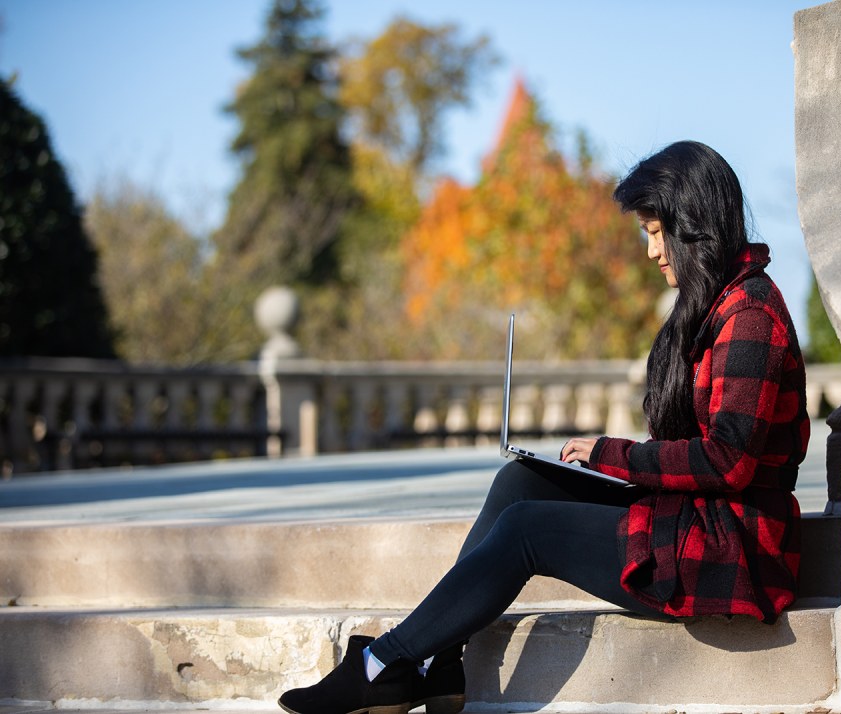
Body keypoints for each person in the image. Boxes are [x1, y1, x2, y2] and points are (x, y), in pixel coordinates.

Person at [277, 140, 810, 714]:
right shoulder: (715, 305)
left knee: (528, 528)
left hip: (732, 548)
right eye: (647, 233)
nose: (652, 251)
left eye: (658, 232)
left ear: (696, 226)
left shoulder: (750, 315)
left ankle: (383, 663)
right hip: (696, 519)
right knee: (519, 485)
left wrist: (613, 454)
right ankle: (438, 663)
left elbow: (727, 460)